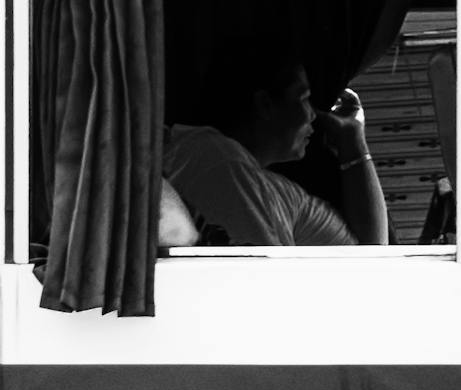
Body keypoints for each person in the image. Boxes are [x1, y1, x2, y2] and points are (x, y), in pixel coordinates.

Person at [163, 40, 388, 247]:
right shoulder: (218, 162)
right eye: (303, 99)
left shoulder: (282, 193)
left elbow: (371, 258)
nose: (313, 115)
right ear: (265, 105)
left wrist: (352, 140)